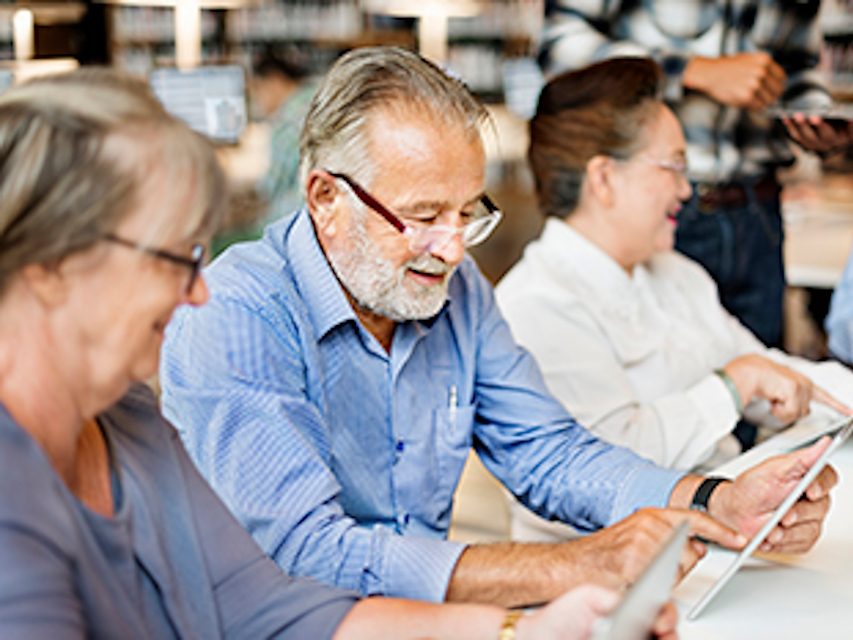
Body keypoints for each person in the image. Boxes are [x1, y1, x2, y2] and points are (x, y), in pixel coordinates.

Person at [0, 67, 673, 640]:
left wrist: (527, 630)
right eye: (172, 259)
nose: (196, 294)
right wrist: (555, 579)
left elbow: (270, 606)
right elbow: (303, 561)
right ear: (50, 267)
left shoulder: (133, 427)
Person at [160, 45, 837, 610]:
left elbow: (548, 451)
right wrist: (565, 567)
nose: (454, 250)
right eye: (423, 216)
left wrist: (716, 499)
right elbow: (305, 552)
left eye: (465, 213)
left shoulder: (452, 290)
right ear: (326, 198)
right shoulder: (236, 311)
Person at [495, 57, 853, 541]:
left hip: (713, 539)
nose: (687, 190)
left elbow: (770, 373)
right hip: (607, 574)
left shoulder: (675, 274)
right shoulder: (536, 305)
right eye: (674, 167)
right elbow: (603, 470)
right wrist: (731, 388)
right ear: (603, 178)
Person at [539, 0, 853, 348]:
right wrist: (693, 70)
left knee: (766, 381)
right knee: (658, 375)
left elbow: (796, 68)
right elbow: (558, 45)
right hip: (656, 211)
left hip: (758, 213)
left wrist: (812, 112)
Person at [252, 49, 317, 225]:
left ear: (274, 81)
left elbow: (270, 187)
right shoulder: (319, 96)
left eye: (257, 88)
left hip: (295, 222)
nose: (256, 100)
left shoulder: (288, 120)